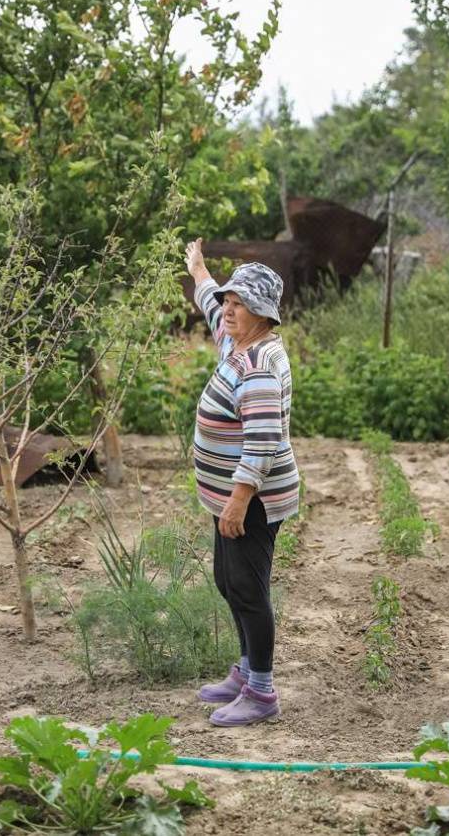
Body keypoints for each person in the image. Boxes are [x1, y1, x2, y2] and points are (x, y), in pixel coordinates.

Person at [184, 238, 300, 727]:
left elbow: (263, 442)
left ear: (263, 313)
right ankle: (247, 668)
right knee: (227, 581)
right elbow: (213, 309)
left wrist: (237, 502)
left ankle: (263, 692)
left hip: (251, 500)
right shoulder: (237, 342)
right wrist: (201, 274)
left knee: (248, 589)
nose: (229, 311)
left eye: (240, 304)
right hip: (229, 497)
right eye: (230, 302)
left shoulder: (259, 368)